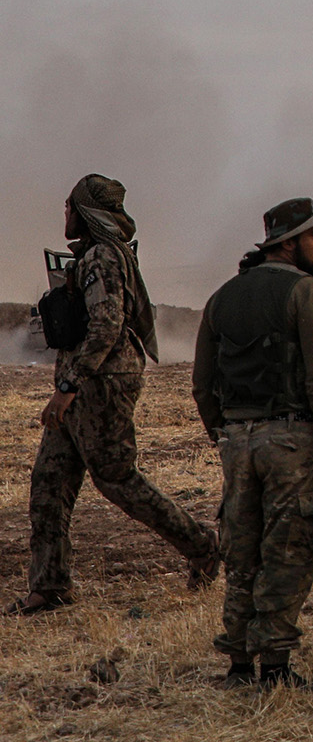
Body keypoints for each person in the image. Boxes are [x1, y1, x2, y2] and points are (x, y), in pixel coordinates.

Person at [7, 176, 220, 616]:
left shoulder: (102, 257)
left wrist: (68, 387)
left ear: (86, 212)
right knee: (49, 484)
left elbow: (106, 327)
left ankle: (202, 545)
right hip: (83, 382)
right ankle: (50, 587)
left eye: (70, 206)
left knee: (117, 479)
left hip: (101, 384)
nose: (64, 213)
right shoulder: (91, 256)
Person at [192, 198, 313, 689]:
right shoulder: (304, 293)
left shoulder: (222, 297)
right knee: (288, 550)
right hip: (291, 441)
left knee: (241, 554)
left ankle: (238, 664)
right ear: (288, 242)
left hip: (236, 442)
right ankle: (275, 669)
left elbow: (202, 383)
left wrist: (225, 432)